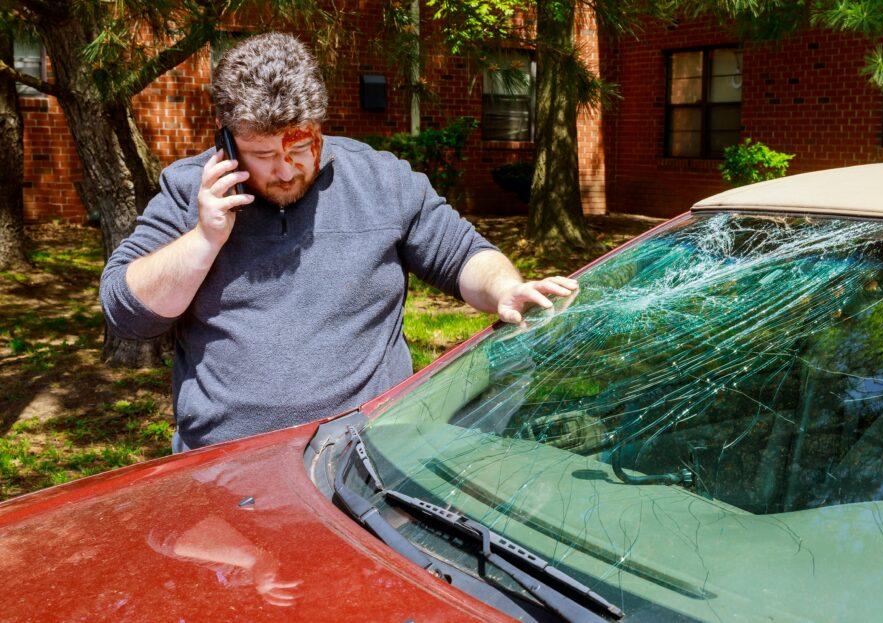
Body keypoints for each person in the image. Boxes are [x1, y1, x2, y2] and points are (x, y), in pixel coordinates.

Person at [99, 32, 577, 452]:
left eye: (299, 148)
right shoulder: (191, 191)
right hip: (226, 466)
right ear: (227, 141)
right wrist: (204, 239)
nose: (284, 169)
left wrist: (504, 291)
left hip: (365, 456)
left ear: (319, 129)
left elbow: (462, 255)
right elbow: (128, 312)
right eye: (262, 155)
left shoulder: (380, 180)